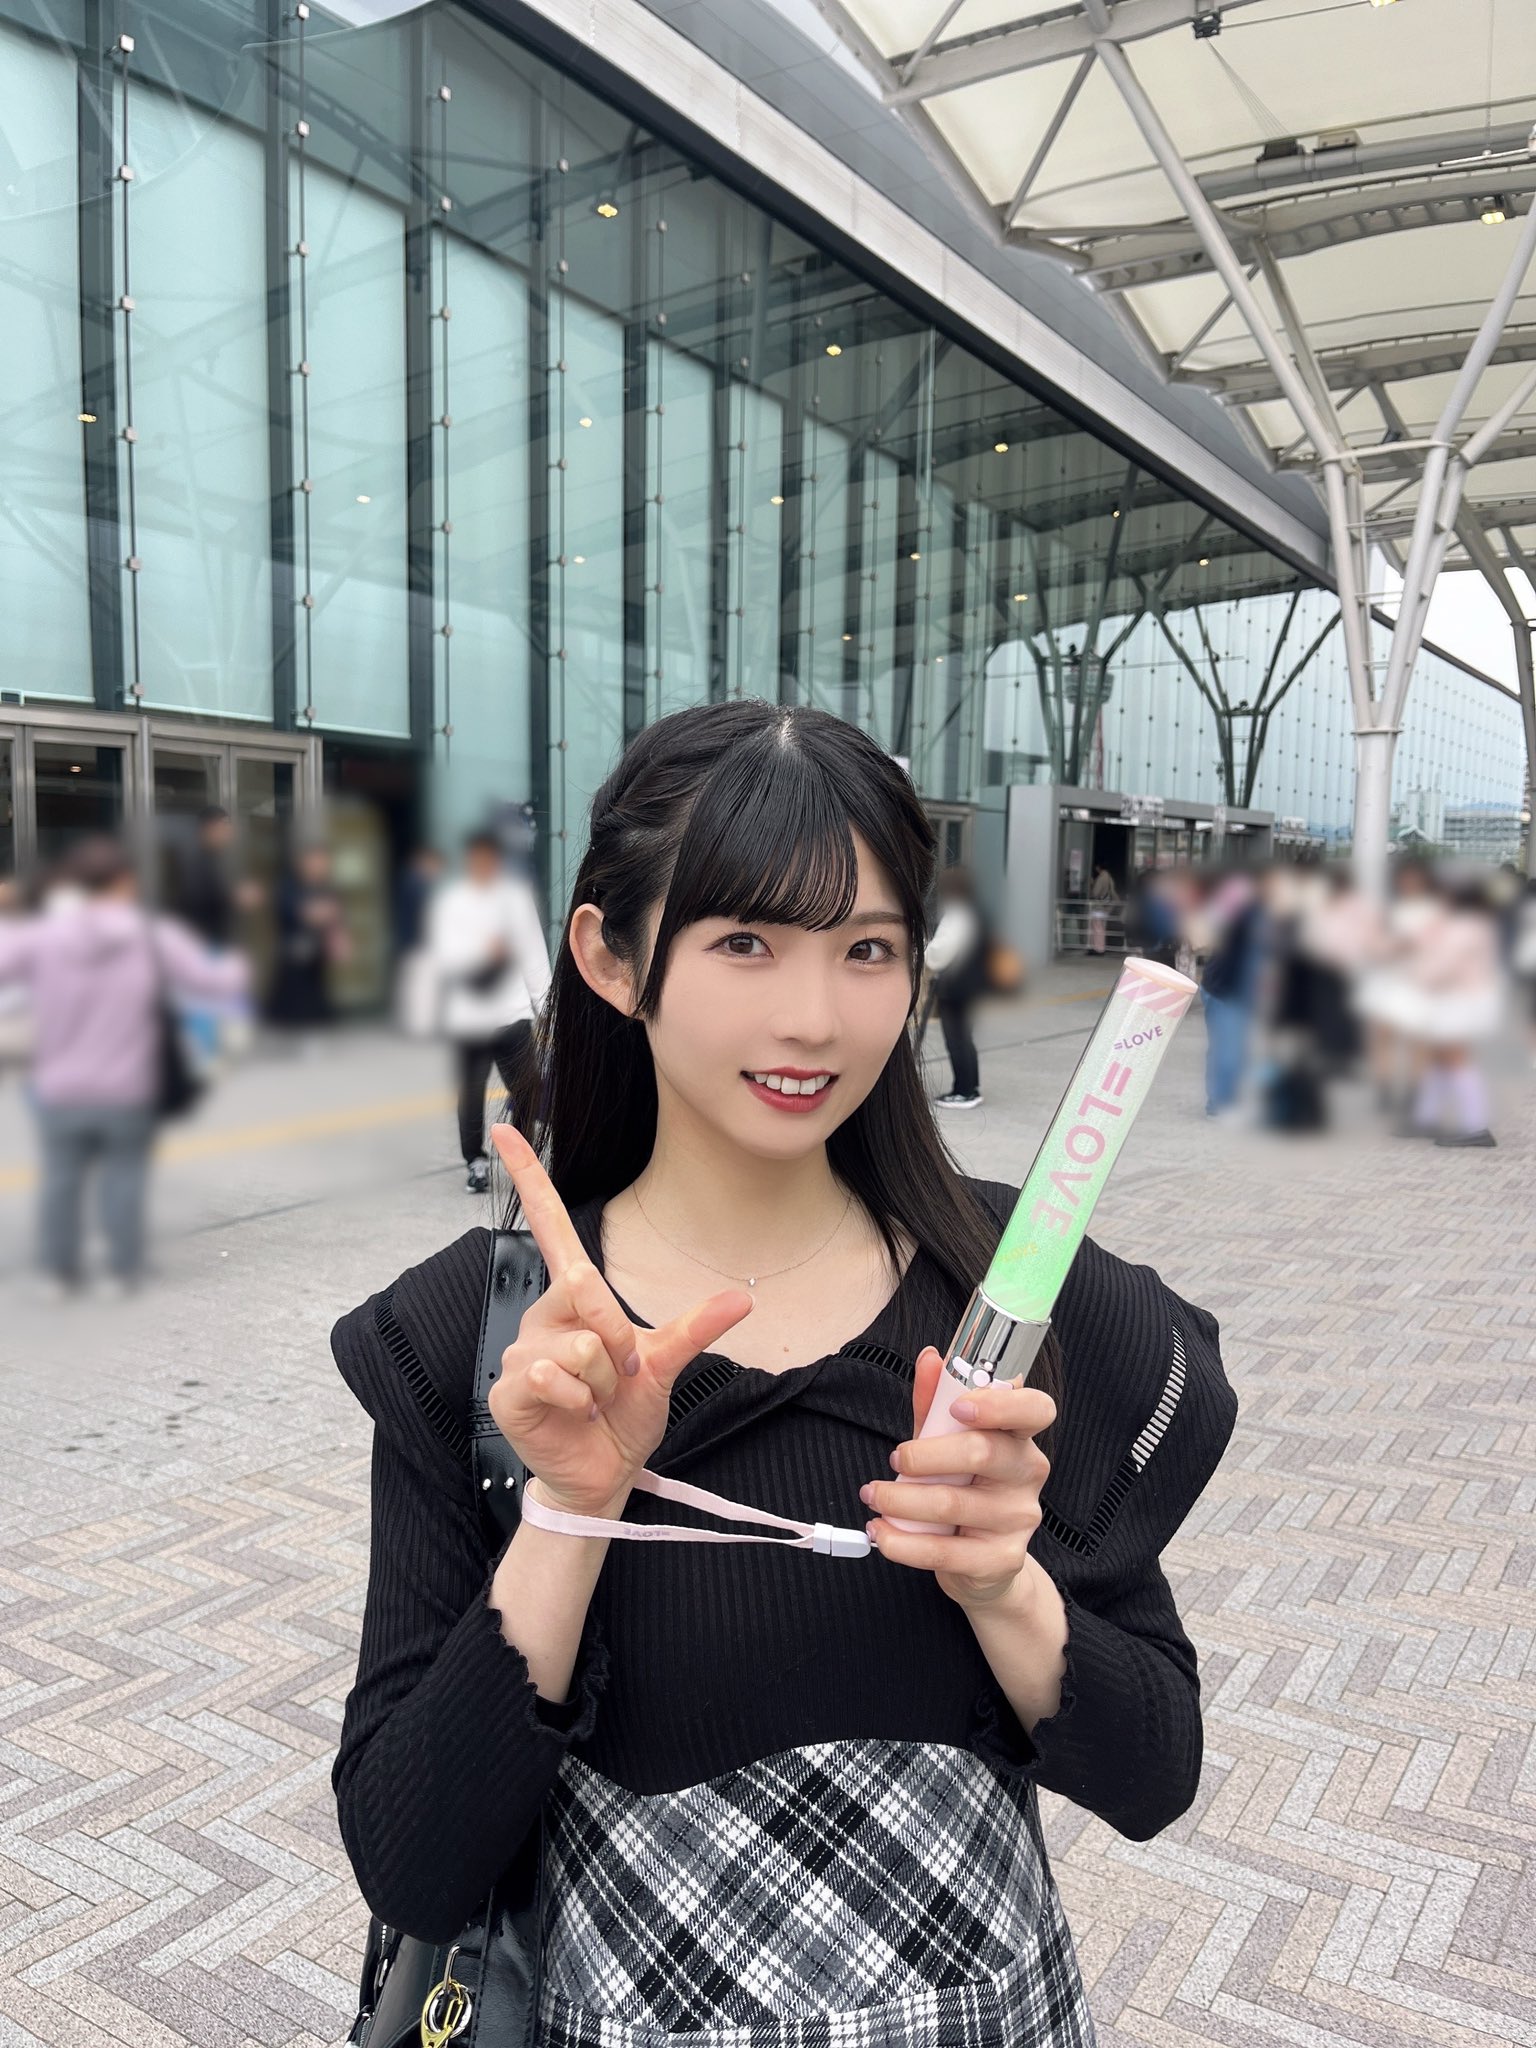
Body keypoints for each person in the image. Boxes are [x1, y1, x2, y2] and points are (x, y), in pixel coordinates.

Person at [331, 700, 1238, 2046]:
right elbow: (412, 1862)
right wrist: (569, 1510)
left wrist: (1002, 1581)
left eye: (867, 948)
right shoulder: (480, 1338)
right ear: (612, 958)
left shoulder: (1017, 1304)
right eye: (745, 942)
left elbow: (1154, 1770)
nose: (813, 1018)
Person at [0, 836, 248, 1293]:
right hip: (126, 1088)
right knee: (124, 1180)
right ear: (124, 881)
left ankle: (57, 1275)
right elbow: (215, 981)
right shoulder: (153, 935)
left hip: (60, 1087)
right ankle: (123, 1272)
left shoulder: (42, 936)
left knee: (60, 1182)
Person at [429, 828, 552, 1191]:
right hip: (468, 1019)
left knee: (527, 1090)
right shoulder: (452, 901)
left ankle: (522, 1159)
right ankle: (476, 1161)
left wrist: (546, 1006)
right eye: (476, 858)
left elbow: (533, 953)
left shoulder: (516, 899)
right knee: (470, 1093)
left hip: (513, 1014)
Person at [1195, 866, 1263, 1119]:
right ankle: (1219, 1103)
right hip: (1222, 990)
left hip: (1238, 991)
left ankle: (1228, 1098)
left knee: (1237, 1048)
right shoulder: (1245, 910)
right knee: (1225, 1049)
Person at [267, 841, 348, 1043]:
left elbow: (334, 914)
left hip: (317, 951)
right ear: (304, 862)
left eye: (323, 862)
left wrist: (337, 935)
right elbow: (297, 912)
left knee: (315, 994)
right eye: (316, 861)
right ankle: (292, 1035)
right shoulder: (289, 885)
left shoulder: (323, 887)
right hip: (295, 951)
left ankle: (311, 1033)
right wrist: (317, 913)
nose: (320, 866)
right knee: (295, 997)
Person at [925, 863, 989, 1110]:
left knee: (956, 1039)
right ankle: (971, 1087)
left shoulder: (956, 915)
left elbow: (940, 953)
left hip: (956, 987)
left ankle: (964, 1091)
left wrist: (925, 954)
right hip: (971, 984)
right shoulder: (976, 911)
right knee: (965, 1037)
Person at [1086, 862, 1118, 955]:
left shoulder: (1101, 878)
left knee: (1097, 928)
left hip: (1099, 907)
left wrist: (1092, 884)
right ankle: (1100, 948)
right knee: (1101, 928)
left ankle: (1098, 948)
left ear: (1098, 867)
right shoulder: (1109, 877)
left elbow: (1095, 893)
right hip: (1106, 907)